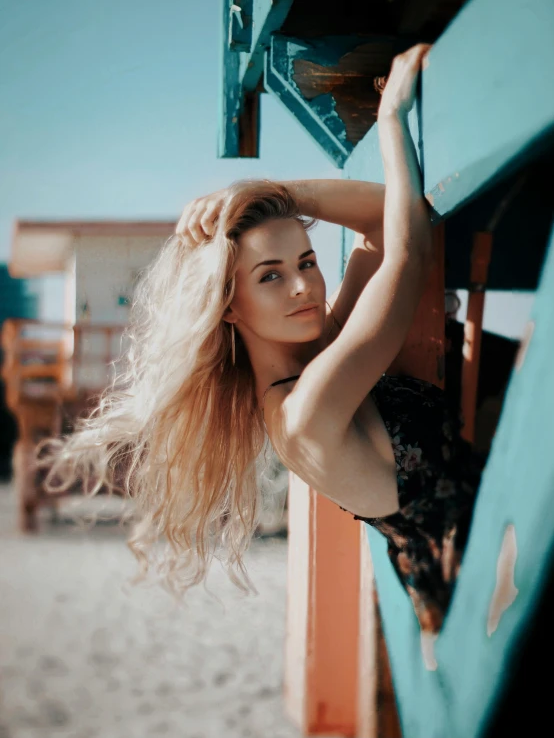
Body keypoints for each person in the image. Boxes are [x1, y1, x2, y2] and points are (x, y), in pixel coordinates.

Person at [40, 44, 498, 664]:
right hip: (478, 566)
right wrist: (390, 120)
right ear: (228, 307)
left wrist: (277, 191)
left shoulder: (316, 362)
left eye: (307, 262)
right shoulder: (307, 407)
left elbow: (385, 225)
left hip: (484, 535)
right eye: (271, 276)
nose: (305, 285)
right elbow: (408, 252)